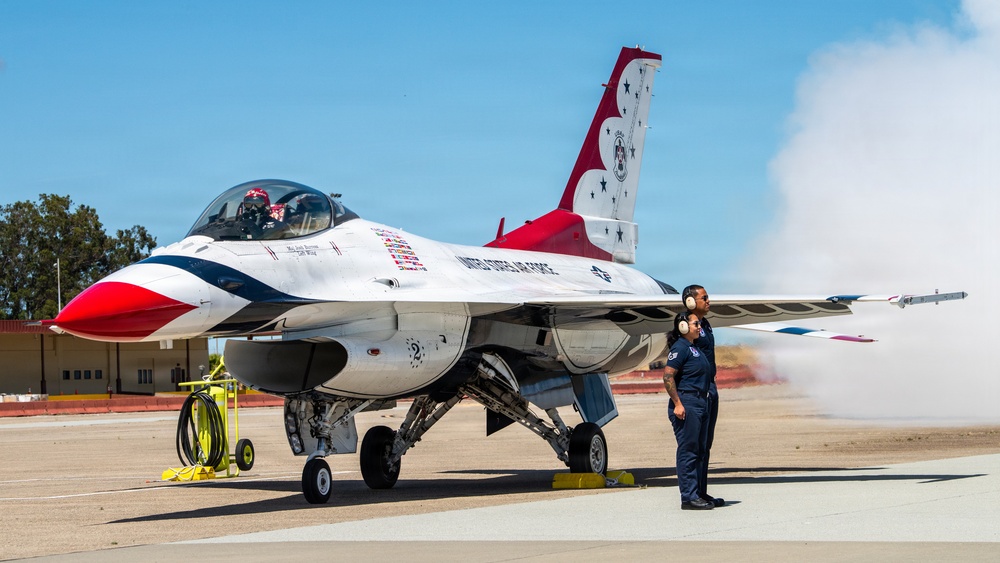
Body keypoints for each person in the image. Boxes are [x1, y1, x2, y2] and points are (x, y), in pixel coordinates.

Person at [663, 311, 714, 510]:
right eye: (695, 324)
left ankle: (699, 493)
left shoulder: (693, 348)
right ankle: (688, 497)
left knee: (700, 450)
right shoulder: (680, 348)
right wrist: (677, 403)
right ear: (683, 326)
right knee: (689, 451)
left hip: (700, 402)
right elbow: (668, 377)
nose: (699, 326)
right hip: (687, 402)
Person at [683, 284, 725, 507]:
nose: (709, 301)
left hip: (711, 387)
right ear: (691, 301)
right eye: (704, 298)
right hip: (696, 391)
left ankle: (701, 491)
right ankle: (690, 495)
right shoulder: (687, 326)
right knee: (693, 446)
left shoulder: (705, 324)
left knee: (705, 445)